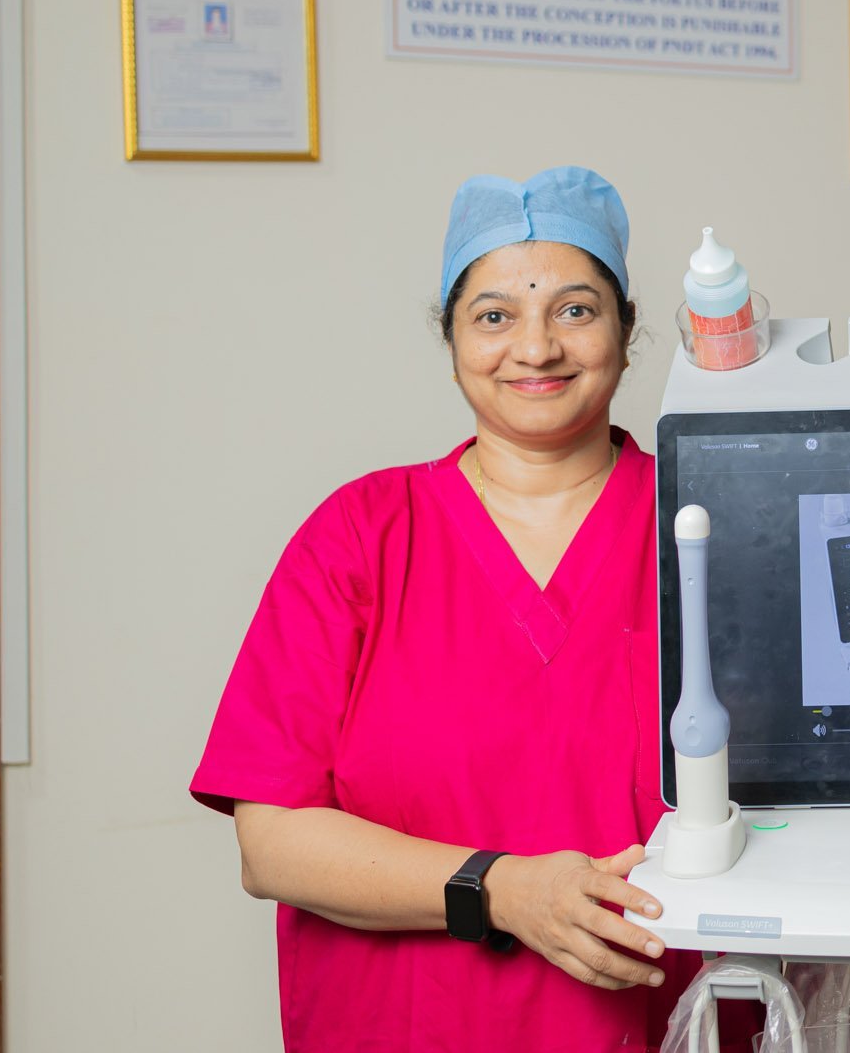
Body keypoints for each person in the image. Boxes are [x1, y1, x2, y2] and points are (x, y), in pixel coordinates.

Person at [191, 167, 695, 1052]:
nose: (534, 347)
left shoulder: (701, 531)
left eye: (574, 309)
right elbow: (271, 842)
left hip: (655, 1023)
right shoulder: (359, 538)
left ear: (627, 329)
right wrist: (499, 889)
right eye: (494, 315)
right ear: (452, 336)